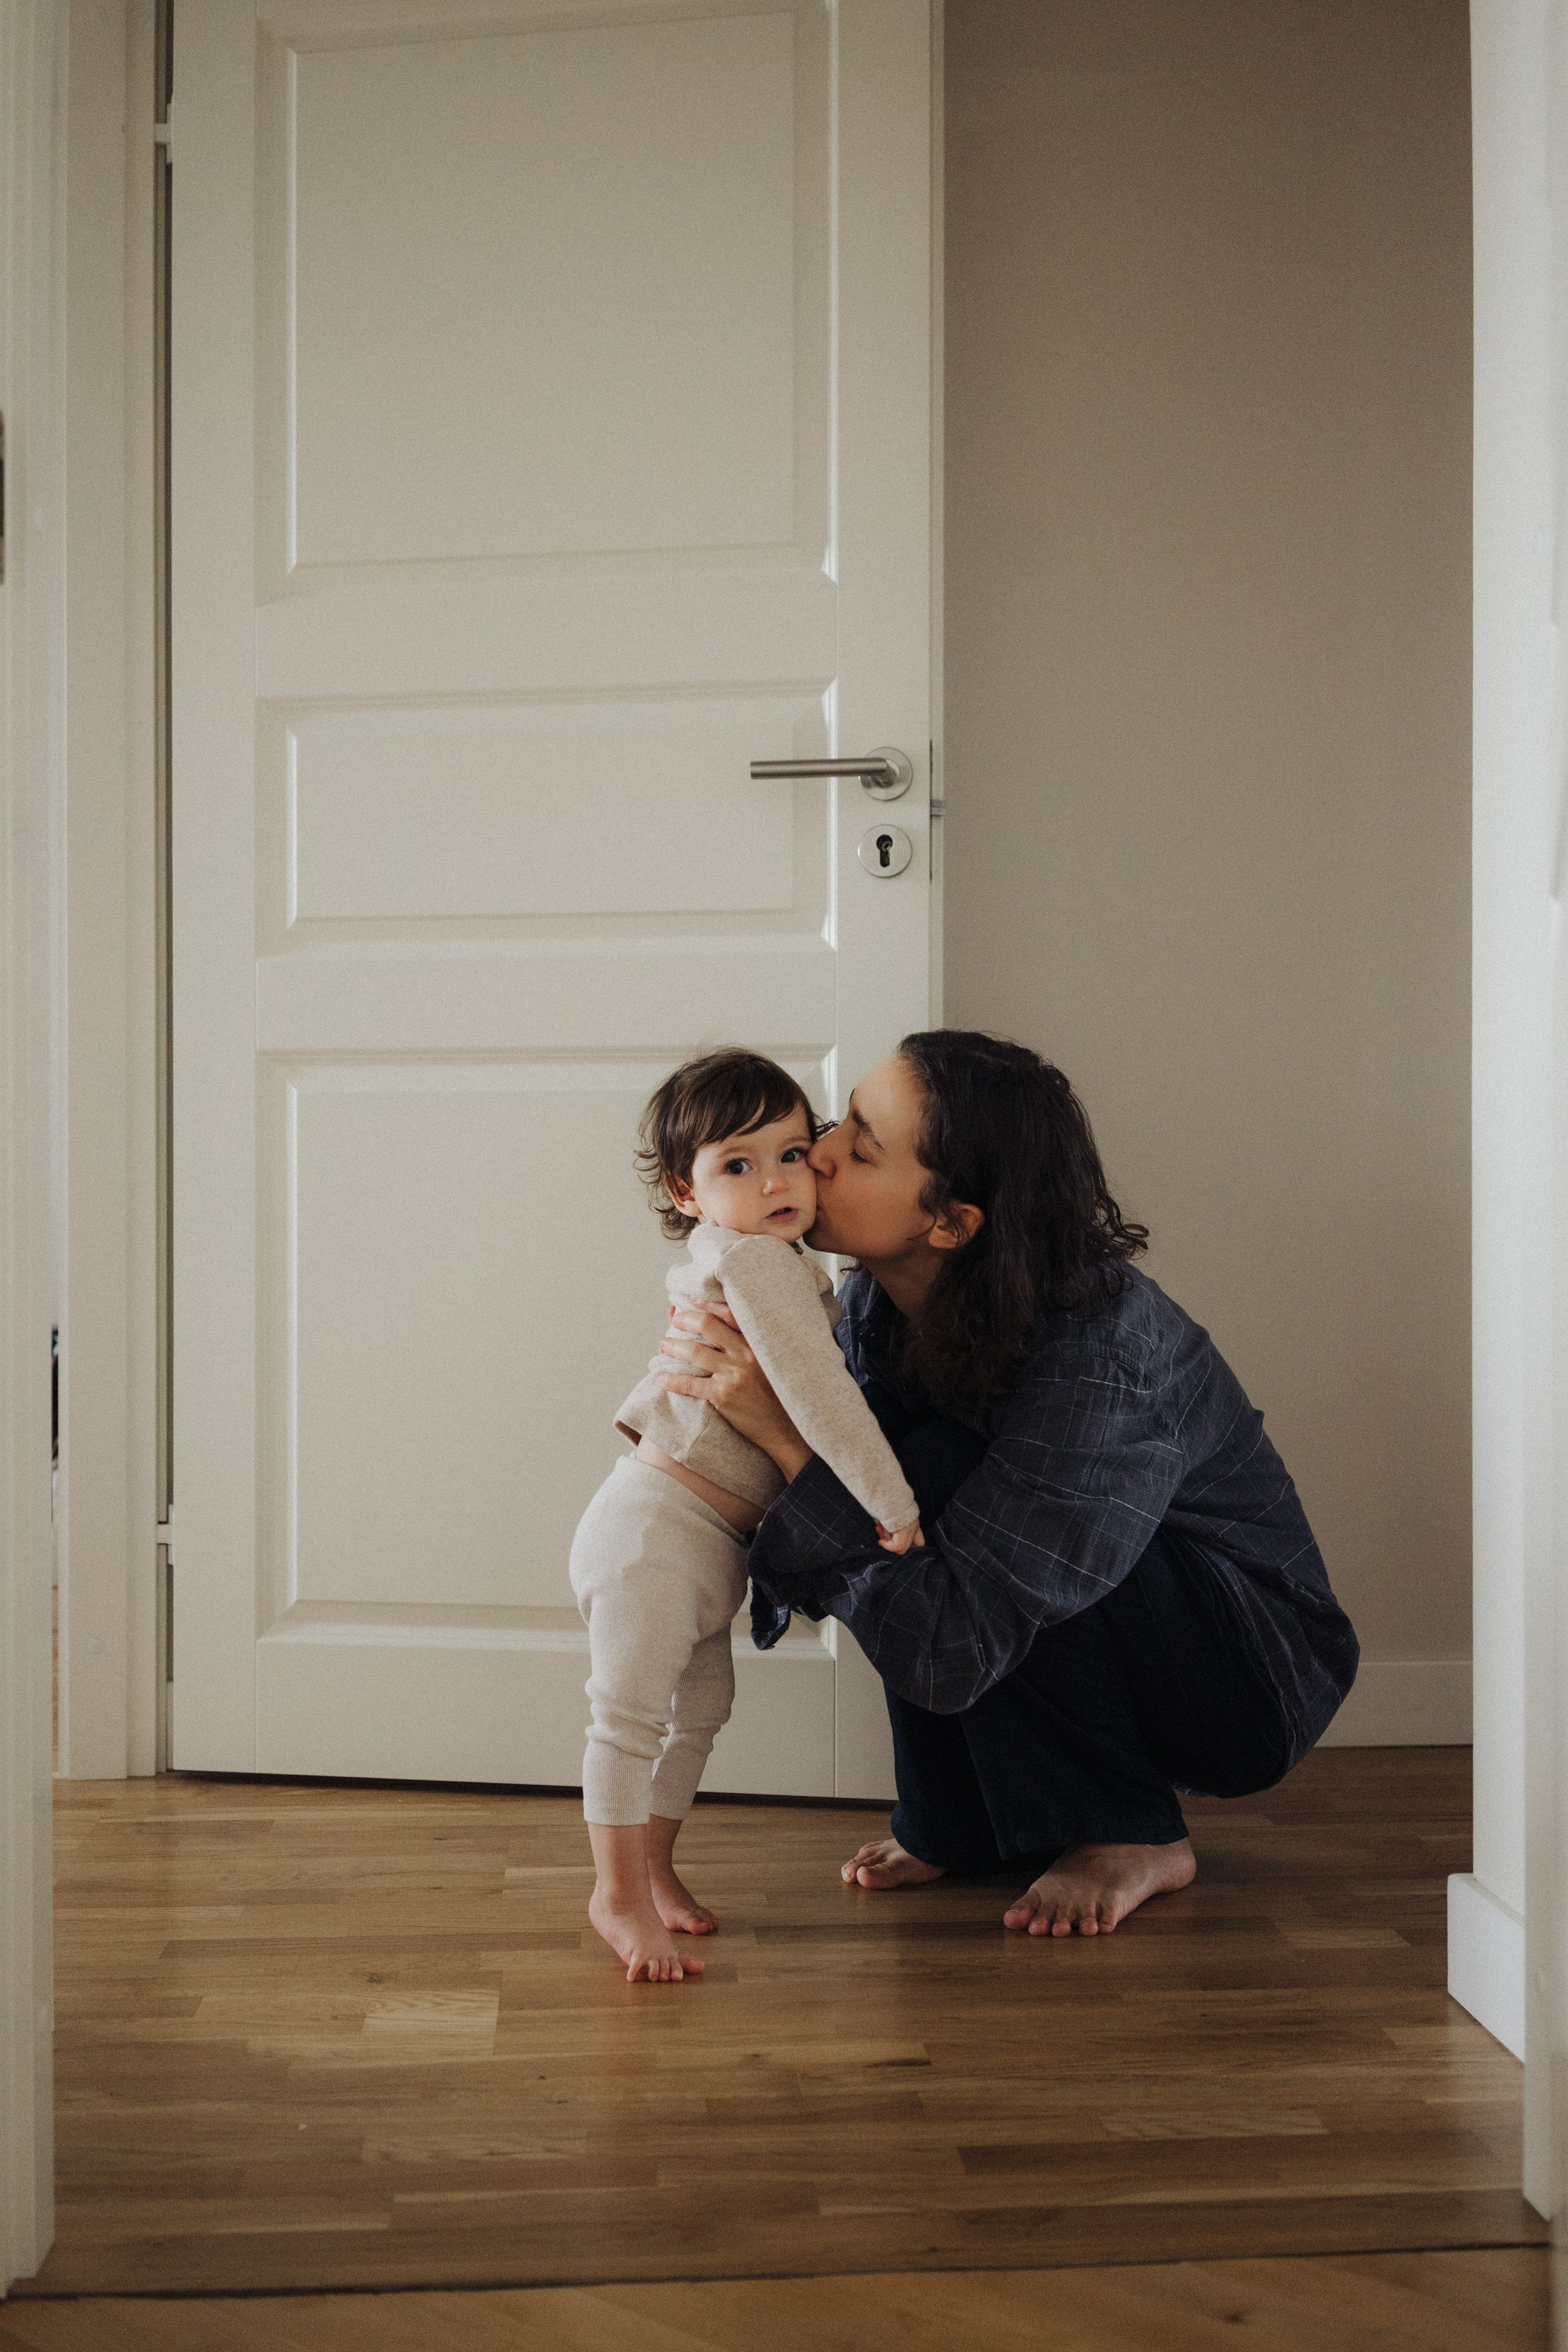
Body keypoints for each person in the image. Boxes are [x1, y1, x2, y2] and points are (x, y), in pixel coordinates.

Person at [655, 1030, 1360, 1940]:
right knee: (914, 1488)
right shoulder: (876, 1296)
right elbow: (890, 1543)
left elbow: (952, 1628)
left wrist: (790, 1442)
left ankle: (1128, 1833)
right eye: (836, 1125)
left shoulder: (1099, 1360)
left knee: (936, 1491)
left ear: (948, 1222)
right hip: (1094, 1607)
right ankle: (955, 1823)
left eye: (858, 1146)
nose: (813, 1155)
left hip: (1241, 1673)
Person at [570, 1049, 923, 1985]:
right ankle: (615, 1896)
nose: (774, 1180)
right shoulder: (760, 1264)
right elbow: (820, 1400)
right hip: (658, 1532)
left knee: (702, 1709)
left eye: (792, 1153)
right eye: (737, 1164)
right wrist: (889, 1502)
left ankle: (650, 1870)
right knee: (628, 1720)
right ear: (685, 1195)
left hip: (699, 1538)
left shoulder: (767, 1260)